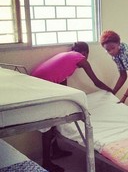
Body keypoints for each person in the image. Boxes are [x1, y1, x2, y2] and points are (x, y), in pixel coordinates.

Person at [31, 41, 112, 172]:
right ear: (85, 53)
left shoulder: (66, 58)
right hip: (41, 89)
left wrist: (70, 100)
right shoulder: (80, 58)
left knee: (54, 119)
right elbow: (96, 81)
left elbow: (63, 86)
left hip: (35, 84)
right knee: (47, 124)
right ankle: (46, 163)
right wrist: (111, 90)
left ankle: (55, 150)